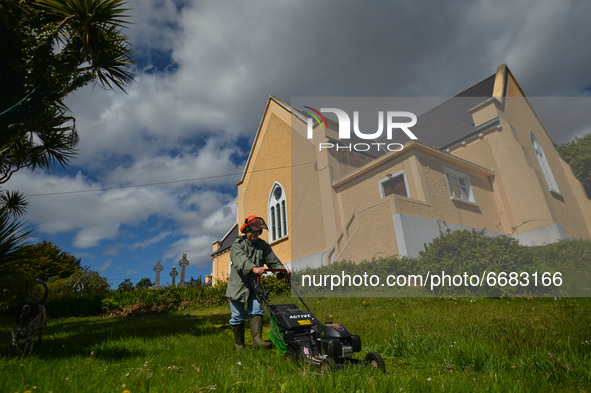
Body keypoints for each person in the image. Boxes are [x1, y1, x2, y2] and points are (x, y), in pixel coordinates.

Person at [226, 215, 289, 351]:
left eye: (257, 232)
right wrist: (253, 268)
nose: (254, 234)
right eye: (252, 232)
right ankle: (239, 345)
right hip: (238, 286)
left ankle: (257, 341)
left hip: (254, 285)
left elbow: (273, 260)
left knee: (256, 310)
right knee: (237, 316)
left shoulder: (263, 246)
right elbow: (240, 260)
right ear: (245, 231)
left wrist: (282, 271)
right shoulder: (237, 245)